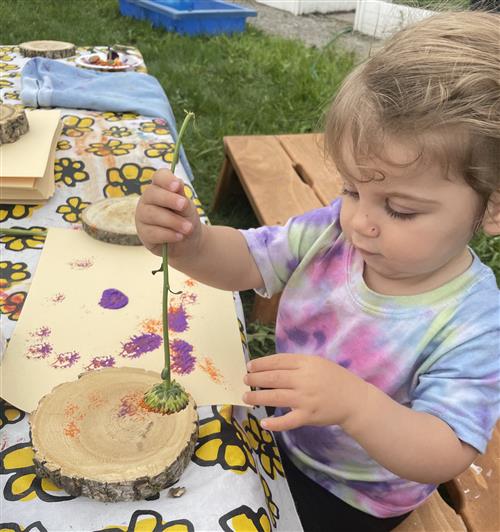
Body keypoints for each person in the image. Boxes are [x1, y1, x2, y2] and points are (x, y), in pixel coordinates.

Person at [135, 11, 500, 532]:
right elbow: (247, 260)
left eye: (399, 209)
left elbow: (446, 450)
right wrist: (190, 243)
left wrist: (354, 405)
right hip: (280, 433)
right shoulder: (334, 232)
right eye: (351, 189)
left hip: (355, 495)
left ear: (491, 209)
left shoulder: (474, 320)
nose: (360, 222)